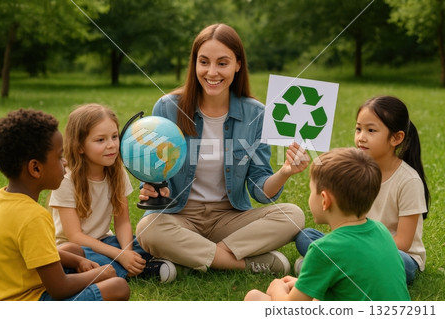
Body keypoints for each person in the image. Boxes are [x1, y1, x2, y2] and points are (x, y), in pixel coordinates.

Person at [136, 23, 308, 275]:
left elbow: (261, 192)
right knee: (148, 228)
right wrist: (151, 187)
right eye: (204, 62)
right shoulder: (167, 107)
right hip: (180, 215)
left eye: (222, 63)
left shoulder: (256, 114)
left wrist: (284, 172)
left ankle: (191, 258)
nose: (212, 72)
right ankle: (244, 263)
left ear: (238, 64)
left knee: (293, 215)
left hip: (230, 218)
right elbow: (155, 173)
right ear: (194, 64)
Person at [244, 148, 410, 301]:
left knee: (254, 298)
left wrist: (276, 289)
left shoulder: (323, 250)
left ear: (324, 200)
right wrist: (303, 285)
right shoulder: (382, 231)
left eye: (311, 191)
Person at [0, 108, 129, 301]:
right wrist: (102, 273)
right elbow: (59, 289)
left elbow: (37, 252)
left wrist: (77, 260)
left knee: (74, 251)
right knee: (118, 287)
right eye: (59, 157)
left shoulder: (3, 200)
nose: (65, 162)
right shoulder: (33, 217)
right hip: (33, 299)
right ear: (35, 168)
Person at [295, 96, 429, 284]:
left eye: (371, 130)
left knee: (403, 265)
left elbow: (404, 243)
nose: (361, 137)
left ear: (396, 138)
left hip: (394, 255)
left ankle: (329, 266)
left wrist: (358, 247)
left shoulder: (409, 181)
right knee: (306, 236)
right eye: (358, 129)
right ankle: (343, 268)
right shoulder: (357, 170)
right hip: (354, 244)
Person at [49, 103, 176, 283]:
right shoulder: (66, 180)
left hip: (106, 242)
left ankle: (128, 266)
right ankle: (136, 269)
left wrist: (127, 252)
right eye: (100, 140)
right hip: (75, 249)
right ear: (80, 147)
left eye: (114, 137)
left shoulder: (117, 173)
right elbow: (75, 236)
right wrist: (120, 256)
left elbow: (123, 221)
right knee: (89, 258)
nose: (111, 145)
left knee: (147, 242)